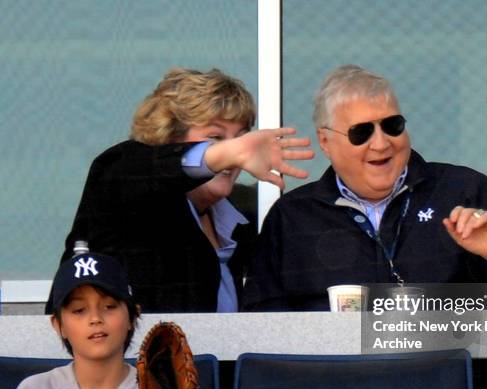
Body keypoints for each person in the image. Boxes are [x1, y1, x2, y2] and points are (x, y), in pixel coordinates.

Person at [243, 65, 487, 311]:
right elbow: (260, 329)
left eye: (392, 126)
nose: (381, 144)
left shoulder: (464, 191)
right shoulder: (292, 218)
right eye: (361, 132)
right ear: (325, 142)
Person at [47, 68, 313, 313]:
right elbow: (139, 170)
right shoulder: (126, 178)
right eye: (215, 137)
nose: (234, 156)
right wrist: (231, 151)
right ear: (170, 140)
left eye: (240, 137)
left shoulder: (234, 220)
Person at [2, 252, 149, 389]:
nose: (95, 319)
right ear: (58, 325)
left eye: (109, 306)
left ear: (132, 316)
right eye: (79, 310)